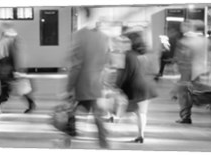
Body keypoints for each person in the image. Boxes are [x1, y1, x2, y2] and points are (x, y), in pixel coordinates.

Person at [64, 7, 110, 149]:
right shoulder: (104, 37)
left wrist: (68, 87)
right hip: (96, 85)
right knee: (97, 117)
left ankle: (66, 143)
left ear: (82, 16)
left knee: (69, 115)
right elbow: (106, 62)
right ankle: (104, 145)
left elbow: (76, 65)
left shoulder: (79, 36)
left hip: (82, 85)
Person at [116, 29, 158, 143]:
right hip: (147, 85)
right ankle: (141, 135)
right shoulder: (149, 53)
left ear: (132, 42)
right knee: (142, 112)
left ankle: (119, 119)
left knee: (133, 109)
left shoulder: (129, 55)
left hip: (135, 85)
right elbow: (156, 70)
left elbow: (126, 73)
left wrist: (118, 85)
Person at [0, 29, 36, 114]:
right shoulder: (13, 44)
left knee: (6, 91)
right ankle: (31, 103)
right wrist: (20, 70)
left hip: (4, 72)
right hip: (12, 71)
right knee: (20, 89)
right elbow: (18, 58)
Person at [172, 20, 211, 124]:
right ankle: (209, 105)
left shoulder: (185, 41)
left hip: (189, 71)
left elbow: (183, 58)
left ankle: (185, 116)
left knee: (184, 94)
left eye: (183, 26)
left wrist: (180, 72)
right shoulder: (205, 40)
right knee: (201, 91)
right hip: (203, 70)